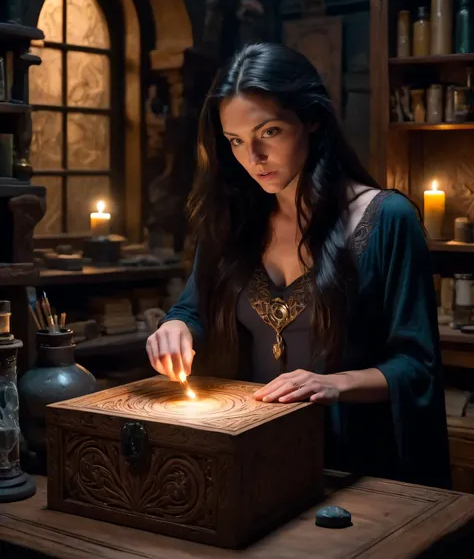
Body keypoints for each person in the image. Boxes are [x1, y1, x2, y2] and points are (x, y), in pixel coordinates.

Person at [146, 42, 451, 489]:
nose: (253, 158)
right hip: (254, 457)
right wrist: (177, 327)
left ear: (310, 119)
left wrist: (335, 384)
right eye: (235, 141)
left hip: (356, 468)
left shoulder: (386, 220)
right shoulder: (231, 221)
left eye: (268, 132)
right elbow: (193, 310)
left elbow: (417, 366)